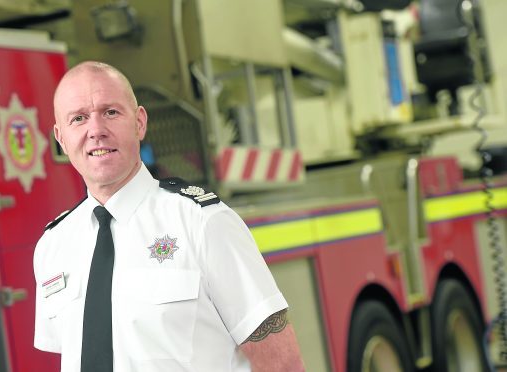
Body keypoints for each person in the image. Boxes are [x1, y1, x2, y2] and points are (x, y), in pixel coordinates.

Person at [33, 61, 305, 372]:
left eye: (111, 112)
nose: (96, 131)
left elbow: (283, 364)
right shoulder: (53, 247)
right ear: (61, 138)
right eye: (79, 119)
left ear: (139, 122)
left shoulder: (202, 223)